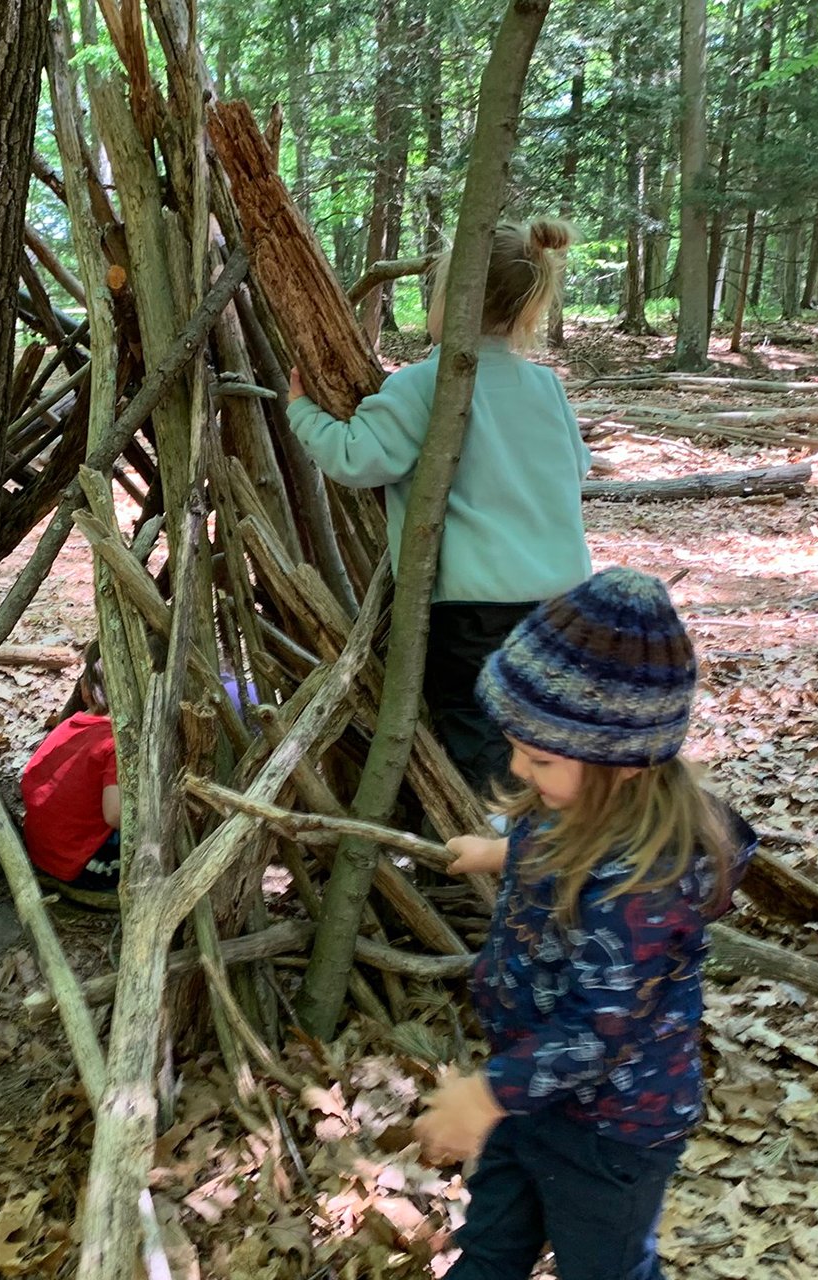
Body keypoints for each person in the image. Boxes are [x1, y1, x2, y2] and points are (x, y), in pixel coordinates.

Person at [411, 567, 756, 1280]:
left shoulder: (647, 888)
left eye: (537, 756)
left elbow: (599, 1030)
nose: (516, 765)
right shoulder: (583, 806)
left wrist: (484, 1094)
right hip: (532, 1093)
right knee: (490, 1248)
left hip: (612, 1129)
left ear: (623, 764)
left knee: (604, 1266)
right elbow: (563, 850)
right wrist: (502, 853)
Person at [286, 219, 590, 790]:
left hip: (474, 604)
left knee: (474, 722)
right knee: (537, 721)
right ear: (527, 311)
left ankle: (500, 840)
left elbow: (357, 460)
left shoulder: (423, 385)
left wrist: (302, 409)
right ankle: (552, 829)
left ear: (449, 298)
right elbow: (578, 465)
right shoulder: (546, 386)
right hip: (561, 598)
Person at [20, 643, 121, 906]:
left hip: (42, 852)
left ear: (85, 690)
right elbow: (114, 814)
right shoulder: (113, 743)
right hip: (79, 866)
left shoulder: (69, 726)